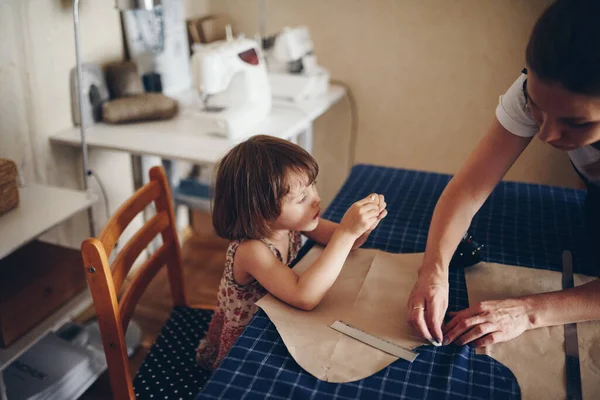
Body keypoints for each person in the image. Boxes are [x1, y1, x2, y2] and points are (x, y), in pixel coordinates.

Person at [407, 0, 600, 348]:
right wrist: (433, 271)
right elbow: (468, 188)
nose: (547, 135)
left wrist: (527, 311)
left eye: (577, 123)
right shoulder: (536, 90)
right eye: (535, 108)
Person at [196, 135, 387, 370]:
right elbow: (304, 297)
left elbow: (345, 240)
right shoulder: (252, 250)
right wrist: (346, 233)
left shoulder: (290, 223)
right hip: (250, 341)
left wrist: (364, 224)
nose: (316, 199)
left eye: (312, 186)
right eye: (301, 198)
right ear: (259, 212)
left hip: (280, 319)